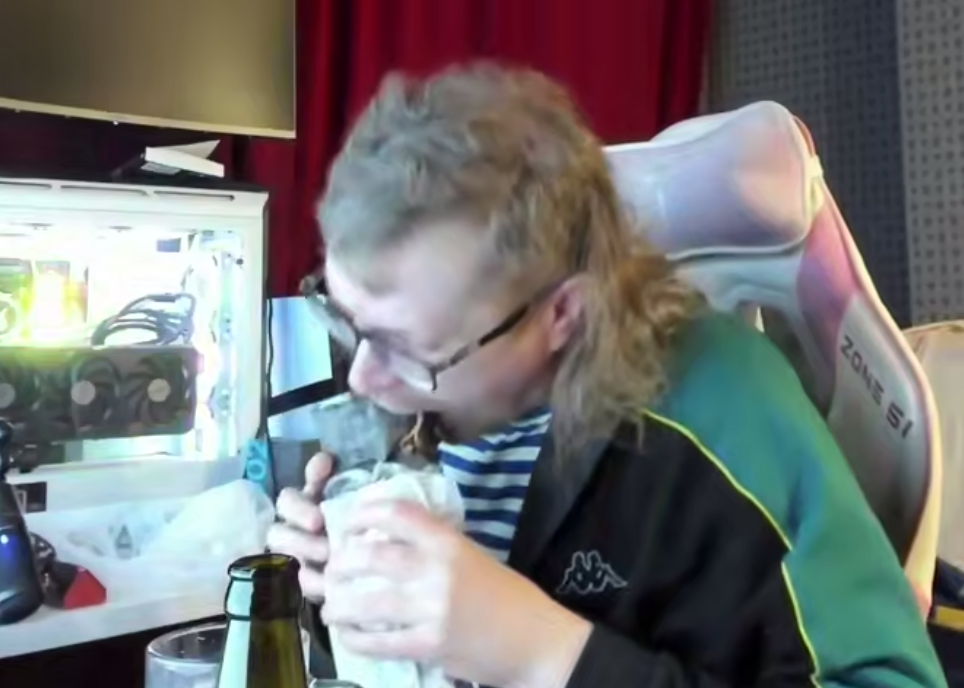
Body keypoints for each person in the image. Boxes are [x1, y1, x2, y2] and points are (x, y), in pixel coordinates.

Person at [267, 63, 946, 688]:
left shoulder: (723, 412)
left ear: (562, 314)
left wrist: (542, 651)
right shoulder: (412, 401)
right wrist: (338, 601)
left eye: (407, 348)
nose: (363, 379)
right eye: (344, 317)